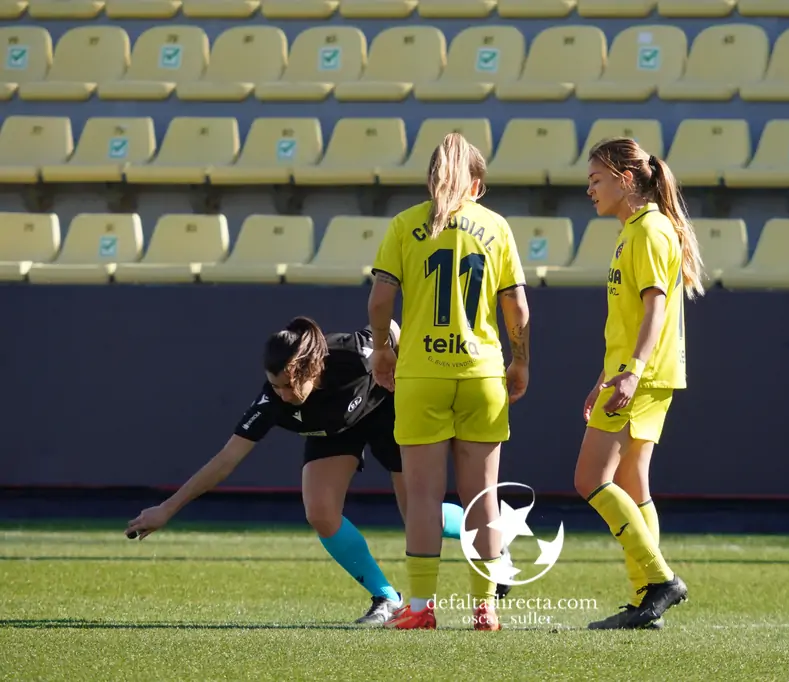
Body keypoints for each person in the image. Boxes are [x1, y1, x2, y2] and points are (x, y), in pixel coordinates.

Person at [124, 316, 505, 625]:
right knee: (320, 513)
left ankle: (492, 545)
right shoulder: (271, 401)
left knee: (417, 517)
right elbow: (225, 461)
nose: (282, 395)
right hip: (332, 432)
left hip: (388, 416)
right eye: (275, 385)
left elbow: (391, 329)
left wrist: (412, 378)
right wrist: (167, 510)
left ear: (313, 369)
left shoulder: (352, 354)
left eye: (290, 386)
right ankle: (386, 598)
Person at [367, 132, 531, 631]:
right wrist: (520, 360)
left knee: (422, 497)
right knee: (481, 496)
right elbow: (518, 309)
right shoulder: (496, 226)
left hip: (421, 374)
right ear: (476, 184)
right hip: (481, 373)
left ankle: (419, 609)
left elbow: (379, 302)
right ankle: (485, 610)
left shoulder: (404, 225)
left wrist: (381, 348)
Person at [573, 137, 704, 630]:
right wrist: (605, 375)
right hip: (645, 373)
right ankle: (646, 599)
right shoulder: (638, 228)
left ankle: (660, 581)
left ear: (626, 180)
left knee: (590, 480)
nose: (590, 189)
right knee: (632, 482)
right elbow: (634, 319)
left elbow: (655, 309)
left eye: (596, 179)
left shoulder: (648, 230)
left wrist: (629, 372)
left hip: (643, 376)